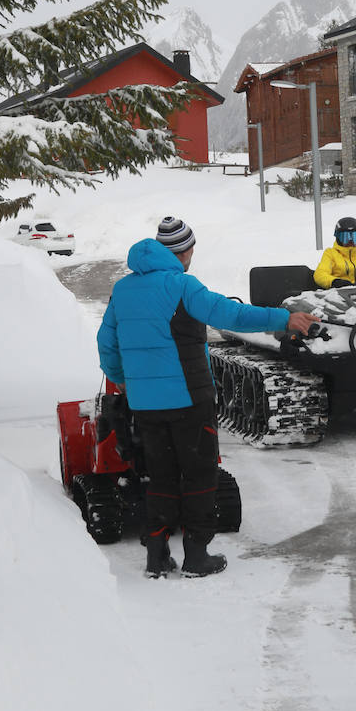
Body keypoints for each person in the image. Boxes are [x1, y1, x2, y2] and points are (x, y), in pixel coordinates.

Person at [97, 215, 319, 579]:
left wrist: (124, 381)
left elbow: (106, 345)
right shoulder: (183, 286)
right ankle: (196, 557)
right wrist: (285, 319)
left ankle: (156, 556)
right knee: (199, 475)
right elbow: (232, 314)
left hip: (146, 405)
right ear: (183, 252)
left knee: (160, 475)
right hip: (188, 400)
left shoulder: (123, 290)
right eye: (191, 249)